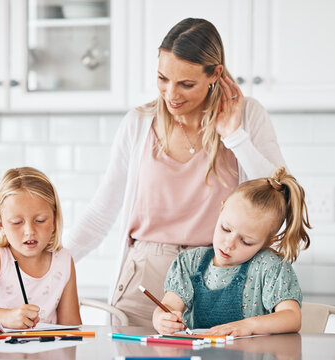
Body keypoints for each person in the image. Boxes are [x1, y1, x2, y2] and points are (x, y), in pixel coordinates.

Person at [65, 17, 286, 327]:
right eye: (162, 78)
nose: (171, 94)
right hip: (145, 276)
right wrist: (51, 265)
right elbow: (102, 211)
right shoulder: (138, 124)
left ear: (215, 74)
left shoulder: (248, 117)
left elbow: (280, 197)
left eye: (186, 84)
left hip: (217, 274)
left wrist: (235, 136)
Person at [152, 167, 311, 336]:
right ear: (222, 209)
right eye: (226, 229)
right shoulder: (189, 262)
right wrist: (161, 318)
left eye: (246, 241)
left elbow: (292, 317)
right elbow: (169, 305)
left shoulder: (270, 267)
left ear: (268, 241)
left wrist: (248, 326)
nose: (229, 244)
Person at [0, 167, 81, 329]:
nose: (30, 231)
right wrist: (6, 317)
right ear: (0, 223)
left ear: (54, 220)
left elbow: (72, 328)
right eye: (17, 222)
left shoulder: (64, 260)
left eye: (40, 220)